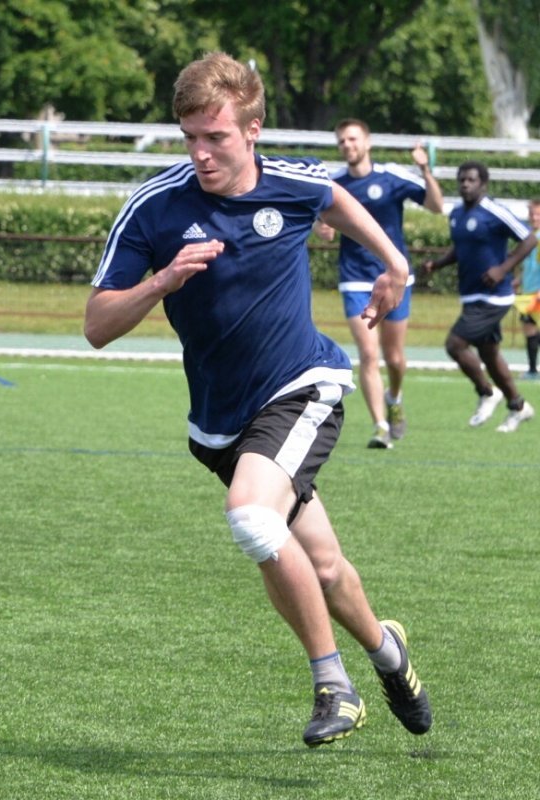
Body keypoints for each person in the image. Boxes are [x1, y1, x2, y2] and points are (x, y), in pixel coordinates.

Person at [85, 52, 432, 748]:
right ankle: (388, 652)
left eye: (215, 137)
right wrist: (162, 283)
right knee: (322, 565)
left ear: (253, 129)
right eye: (190, 138)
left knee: (250, 516)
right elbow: (97, 326)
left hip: (303, 387)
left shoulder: (295, 182)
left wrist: (395, 267)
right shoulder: (156, 208)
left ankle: (334, 684)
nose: (201, 154)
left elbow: (338, 202)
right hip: (220, 421)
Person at [315, 119, 443, 449]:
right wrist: (323, 228)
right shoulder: (334, 185)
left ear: (367, 142)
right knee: (369, 356)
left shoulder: (392, 177)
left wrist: (425, 170)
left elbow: (436, 206)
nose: (348, 145)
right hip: (355, 280)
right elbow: (320, 221)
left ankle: (395, 397)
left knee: (395, 358)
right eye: (342, 141)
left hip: (394, 278)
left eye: (353, 139)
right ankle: (381, 427)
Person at [418, 162, 537, 432]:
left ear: (483, 183)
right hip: (471, 295)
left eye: (471, 180)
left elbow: (529, 239)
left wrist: (503, 268)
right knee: (490, 355)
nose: (465, 185)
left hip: (494, 297)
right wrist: (436, 264)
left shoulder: (494, 211)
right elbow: (460, 250)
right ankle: (518, 406)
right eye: (462, 180)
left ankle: (486, 392)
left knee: (455, 344)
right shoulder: (457, 214)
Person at [514, 199, 540, 380]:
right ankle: (532, 370)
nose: (534, 217)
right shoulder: (528, 237)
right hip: (528, 292)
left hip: (538, 292)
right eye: (532, 213)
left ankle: (533, 370)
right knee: (530, 329)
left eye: (538, 214)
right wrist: (517, 281)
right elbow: (528, 265)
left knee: (532, 329)